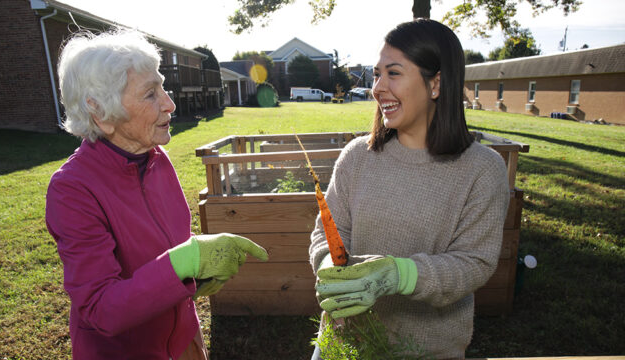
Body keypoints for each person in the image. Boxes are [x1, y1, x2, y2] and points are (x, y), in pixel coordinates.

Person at [45, 30, 268, 360]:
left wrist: (196, 273)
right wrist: (183, 261)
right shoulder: (72, 189)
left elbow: (160, 248)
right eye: (150, 94)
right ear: (100, 112)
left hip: (184, 343)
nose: (170, 103)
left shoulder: (154, 158)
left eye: (162, 86)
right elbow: (100, 309)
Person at [309, 19, 510, 359]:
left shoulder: (482, 170)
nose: (377, 88)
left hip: (428, 351)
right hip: (344, 346)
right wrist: (329, 263)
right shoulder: (357, 157)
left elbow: (474, 262)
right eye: (376, 74)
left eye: (394, 73)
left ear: (436, 84)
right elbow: (326, 233)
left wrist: (399, 274)